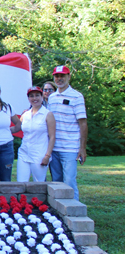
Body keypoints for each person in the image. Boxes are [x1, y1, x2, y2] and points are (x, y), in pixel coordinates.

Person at [48, 65, 88, 200]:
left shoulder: (77, 96)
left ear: (69, 77)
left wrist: (82, 148)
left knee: (69, 182)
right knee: (57, 183)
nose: (59, 79)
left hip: (70, 148)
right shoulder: (52, 97)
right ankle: (60, 211)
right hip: (54, 147)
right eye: (57, 76)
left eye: (62, 76)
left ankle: (74, 213)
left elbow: (83, 123)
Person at [17, 86, 56, 182]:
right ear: (28, 98)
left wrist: (47, 156)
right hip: (24, 153)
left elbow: (52, 137)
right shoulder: (25, 115)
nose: (34, 98)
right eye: (31, 96)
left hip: (40, 155)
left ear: (42, 97)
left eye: (37, 95)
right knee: (21, 183)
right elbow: (16, 128)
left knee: (38, 185)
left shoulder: (48, 114)